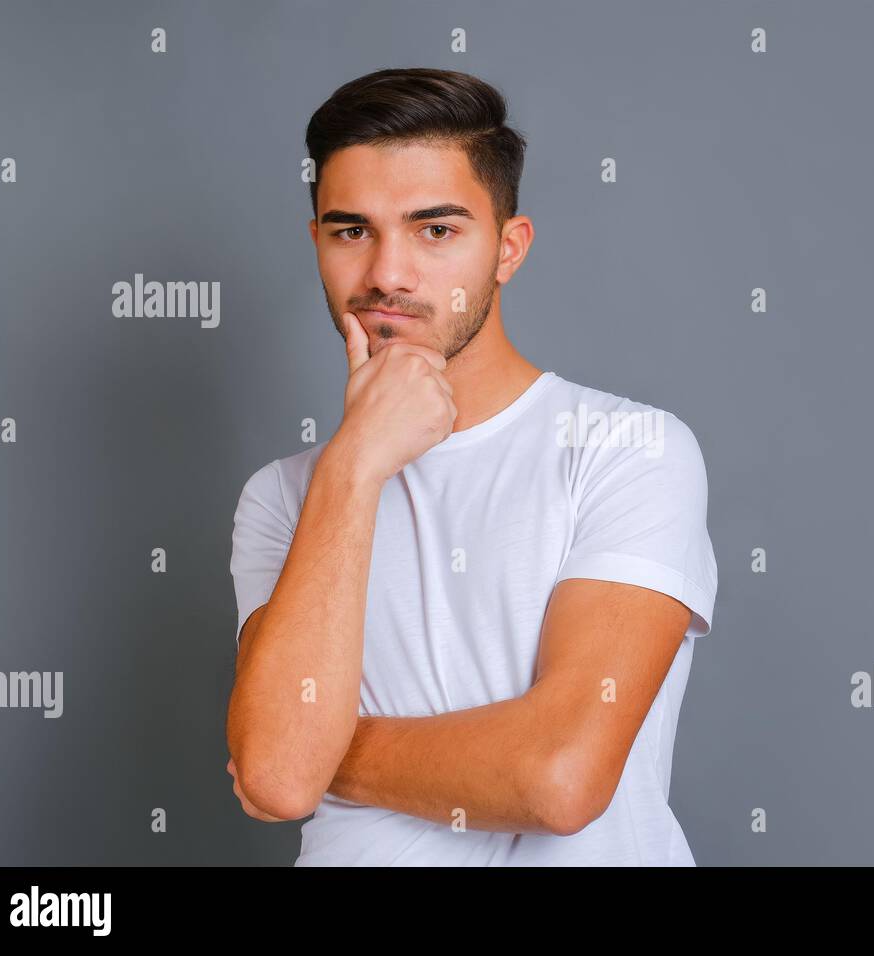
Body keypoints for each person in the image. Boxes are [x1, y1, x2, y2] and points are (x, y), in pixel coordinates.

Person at [225, 68, 718, 865]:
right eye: (352, 231)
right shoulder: (284, 496)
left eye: (436, 230)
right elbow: (280, 781)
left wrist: (328, 753)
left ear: (508, 249)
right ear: (315, 240)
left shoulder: (629, 450)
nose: (387, 274)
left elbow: (558, 778)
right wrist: (352, 467)